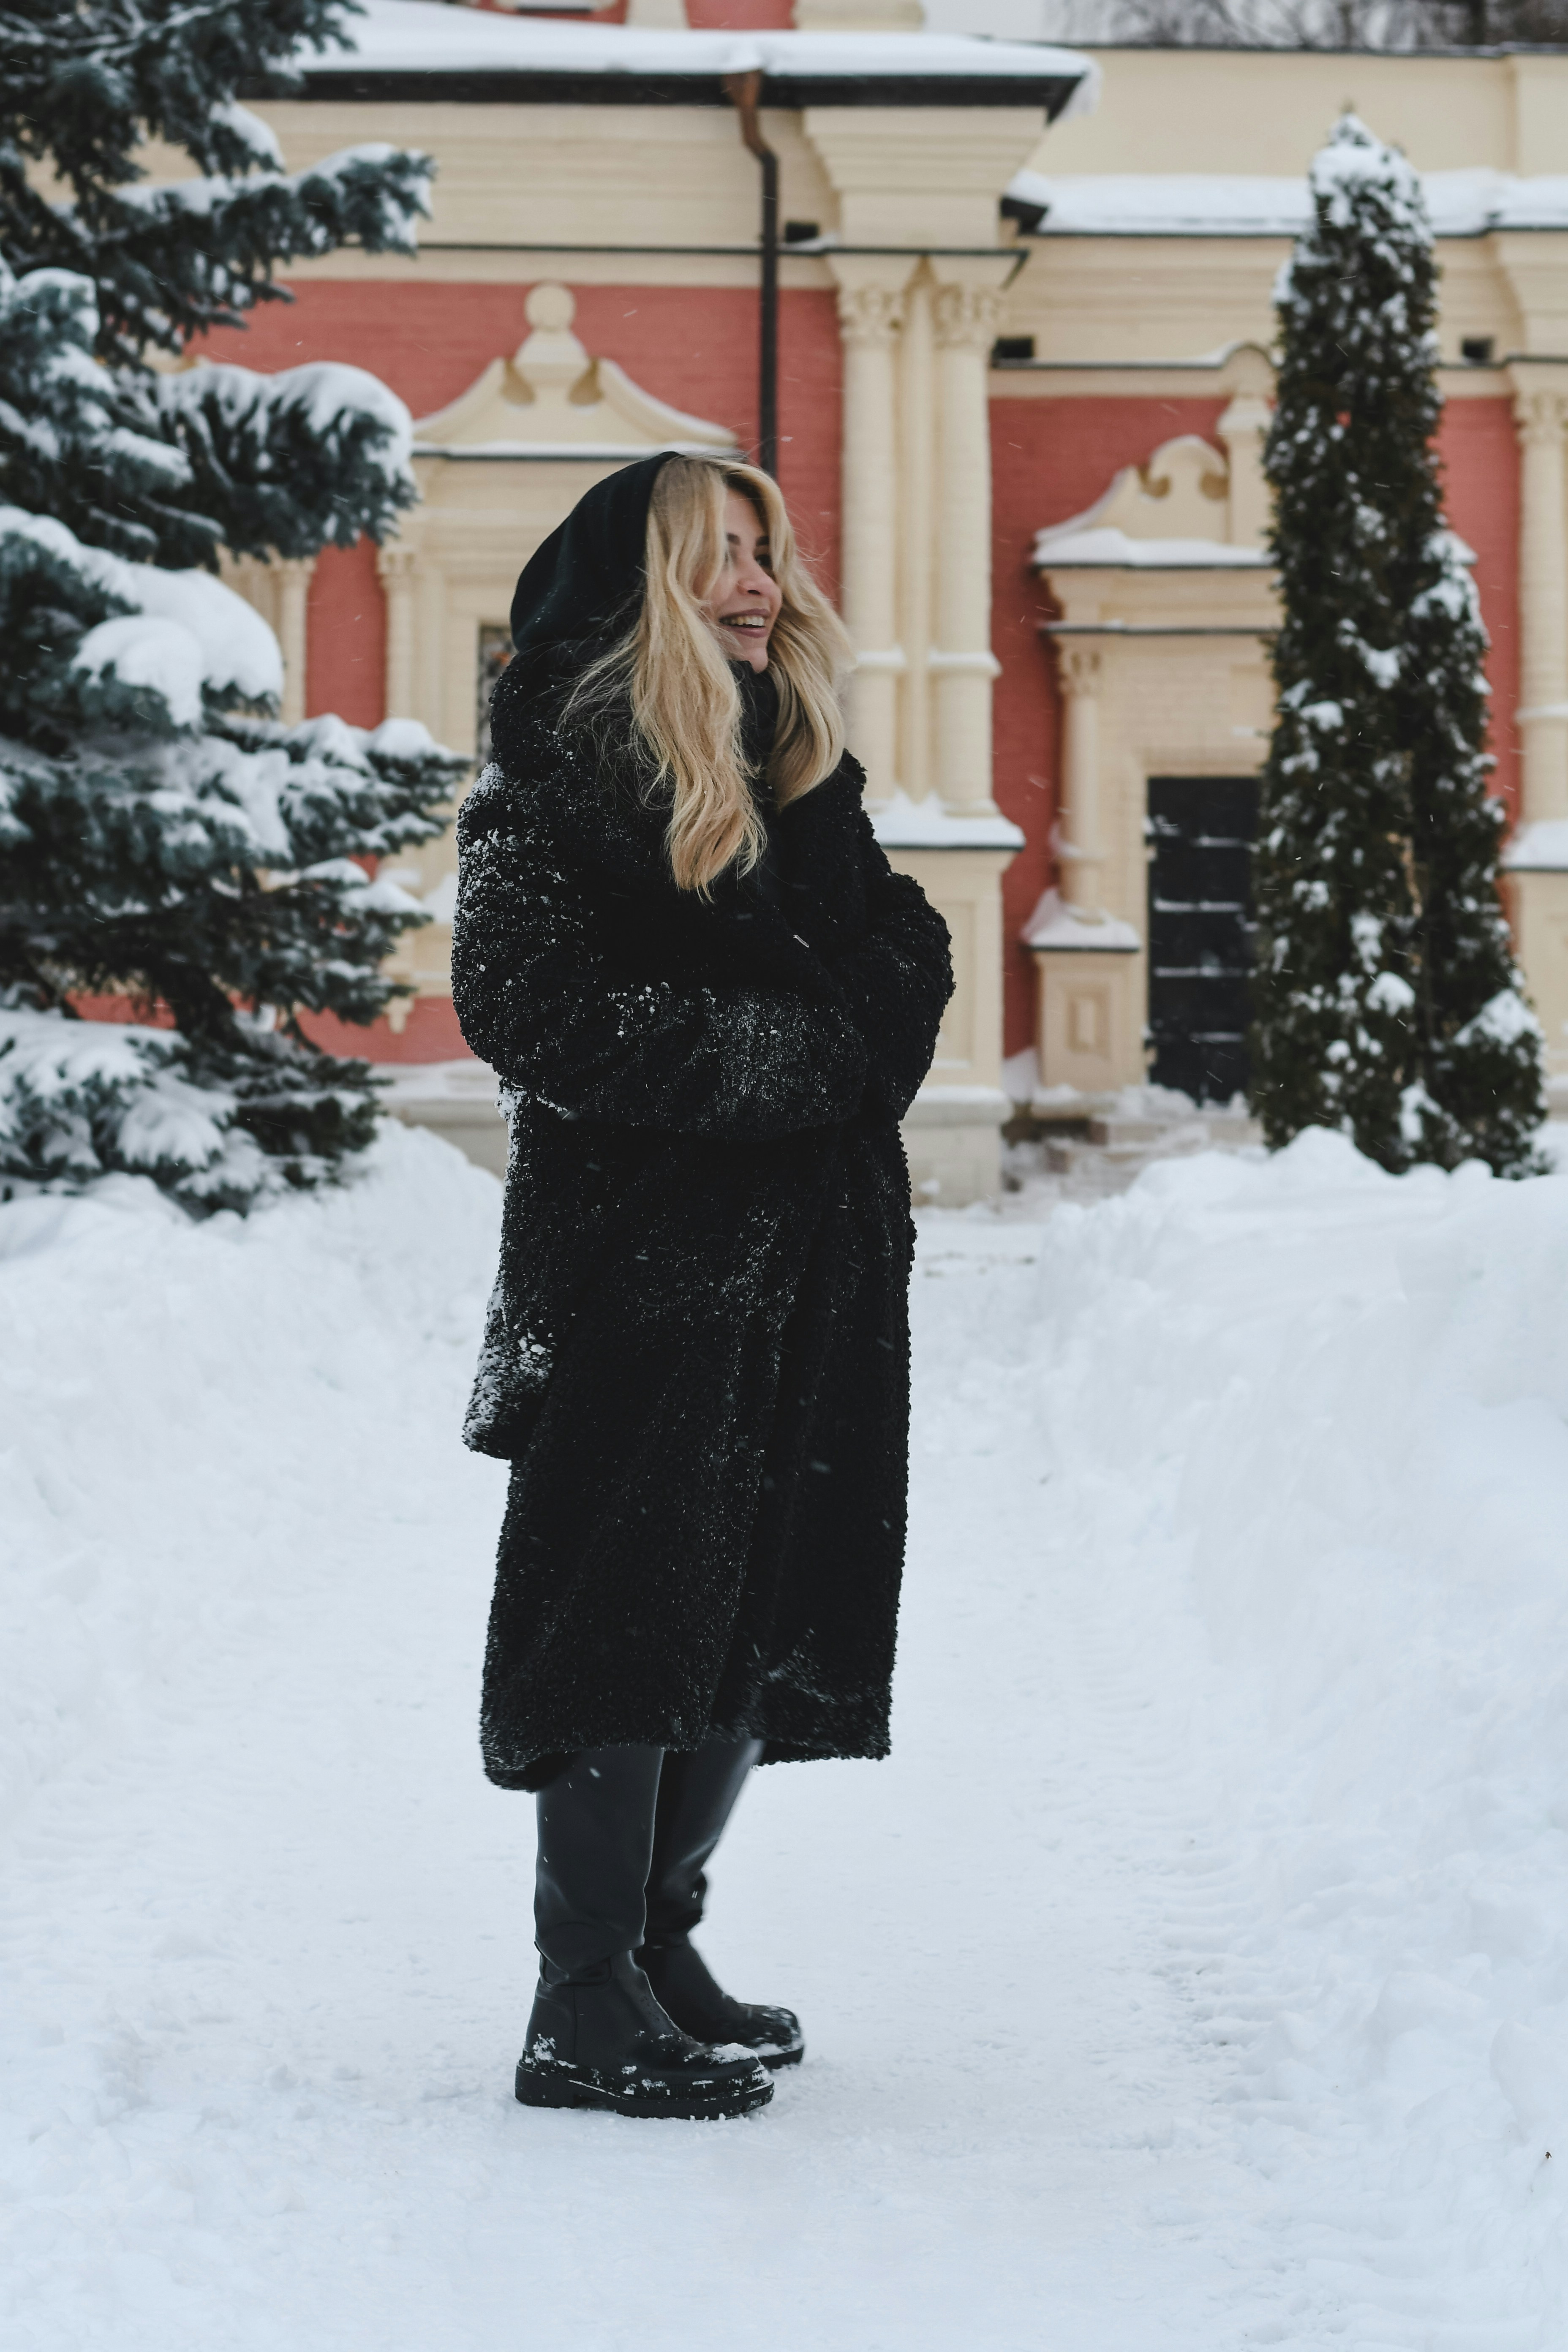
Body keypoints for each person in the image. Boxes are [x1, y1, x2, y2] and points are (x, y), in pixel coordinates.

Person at [451, 451, 953, 2121]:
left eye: (766, 551)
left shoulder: (799, 770)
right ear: (639, 581)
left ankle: (659, 1947)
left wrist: (838, 1040)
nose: (756, 580)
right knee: (628, 1605)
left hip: (807, 1260)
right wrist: (800, 1056)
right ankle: (576, 1998)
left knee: (754, 1593)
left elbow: (905, 955)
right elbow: (533, 1010)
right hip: (642, 1274)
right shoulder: (560, 777)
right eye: (714, 554)